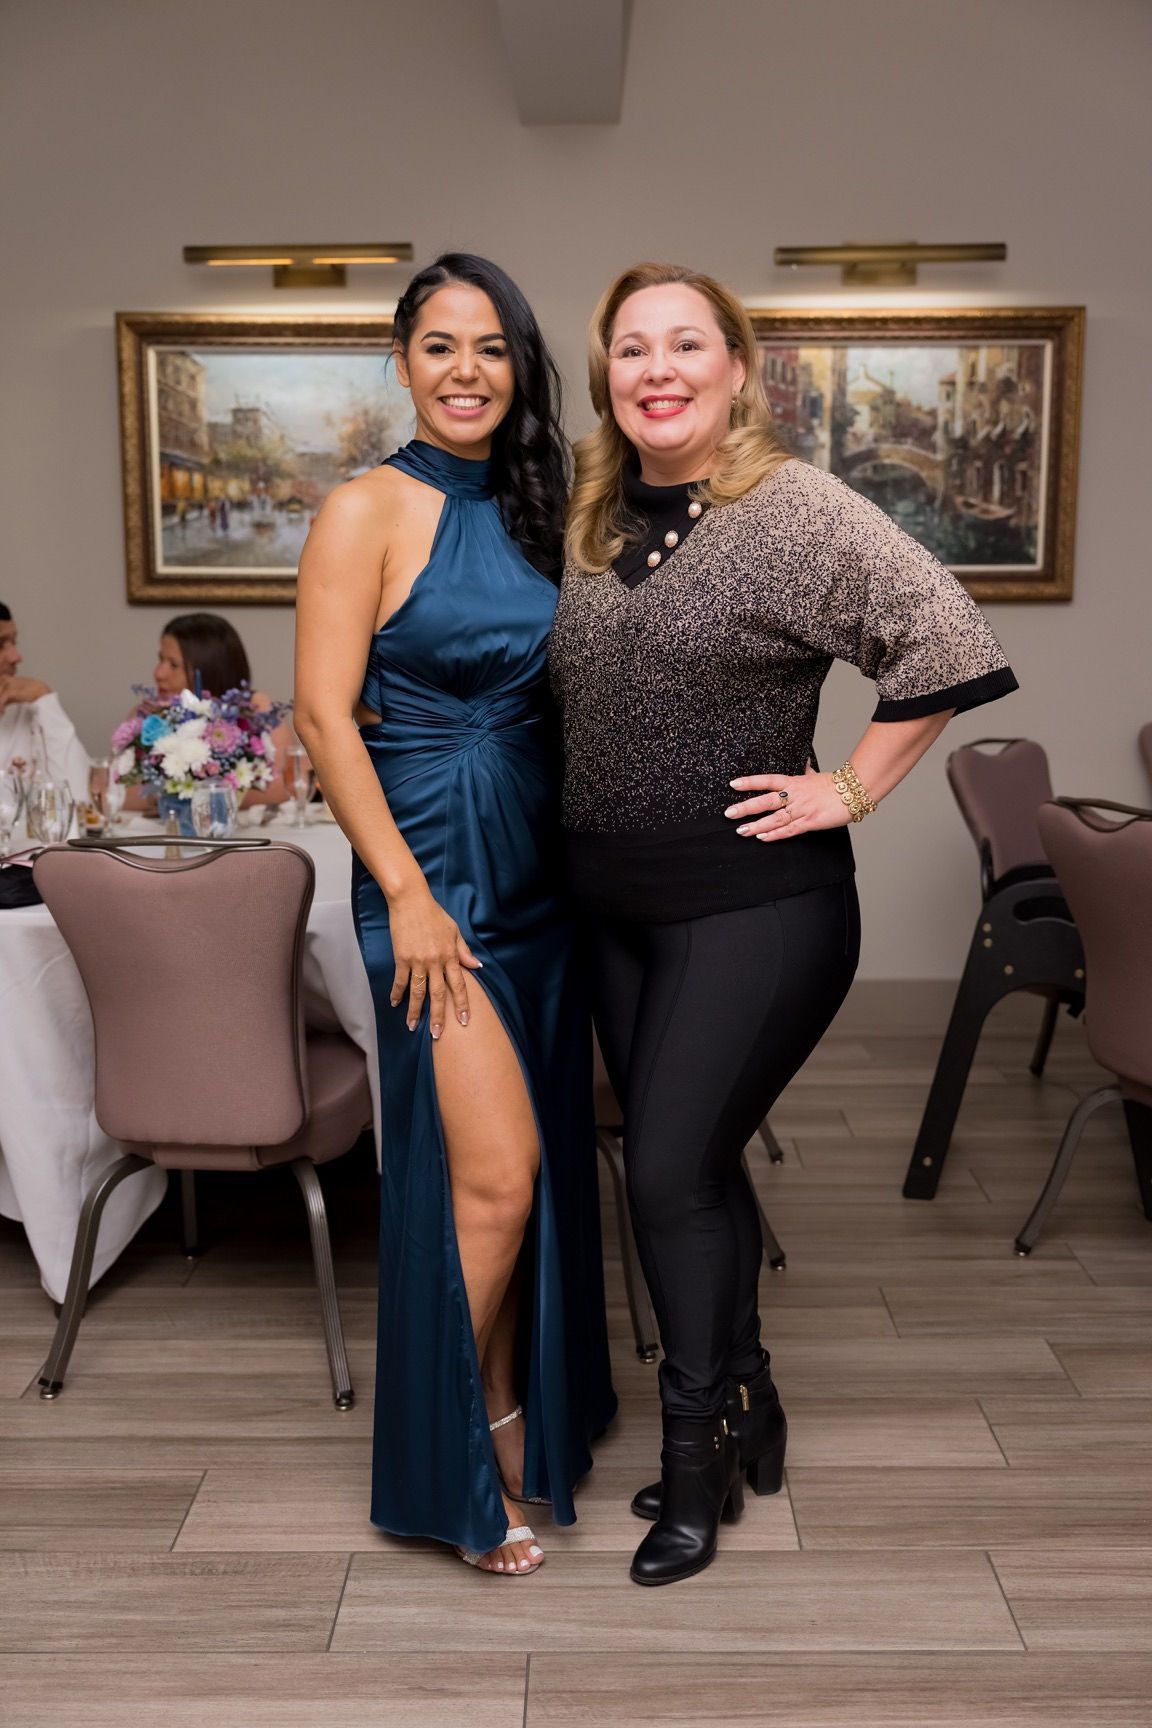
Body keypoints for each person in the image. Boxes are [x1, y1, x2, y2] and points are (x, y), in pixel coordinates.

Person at [549, 262, 1019, 1587]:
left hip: (754, 908)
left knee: (661, 1176)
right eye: (632, 348)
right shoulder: (585, 520)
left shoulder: (792, 508)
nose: (658, 369)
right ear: (609, 376)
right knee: (682, 1163)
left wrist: (853, 787)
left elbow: (941, 629)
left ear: (737, 367)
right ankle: (749, 1404)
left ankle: (694, 1461)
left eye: (686, 343)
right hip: (615, 912)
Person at [294, 253, 616, 1577]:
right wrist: (411, 899)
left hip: (541, 872)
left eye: (491, 347)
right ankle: (443, 1469)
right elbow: (324, 716)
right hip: (430, 874)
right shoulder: (363, 509)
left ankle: (496, 1412)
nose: (467, 370)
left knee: (510, 1187)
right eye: (440, 346)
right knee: (497, 1175)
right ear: (402, 361)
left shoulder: (553, 511)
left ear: (519, 364)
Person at [122, 613, 292, 809]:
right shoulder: (148, 715)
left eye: (173, 664)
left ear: (209, 668)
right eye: (161, 660)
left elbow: (285, 787)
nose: (158, 673)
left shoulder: (256, 710)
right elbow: (117, 793)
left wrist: (192, 793)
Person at [0, 601, 90, 800]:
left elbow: (77, 799)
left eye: (14, 642)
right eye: (0, 645)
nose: (16, 657)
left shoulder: (31, 711)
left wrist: (45, 699)